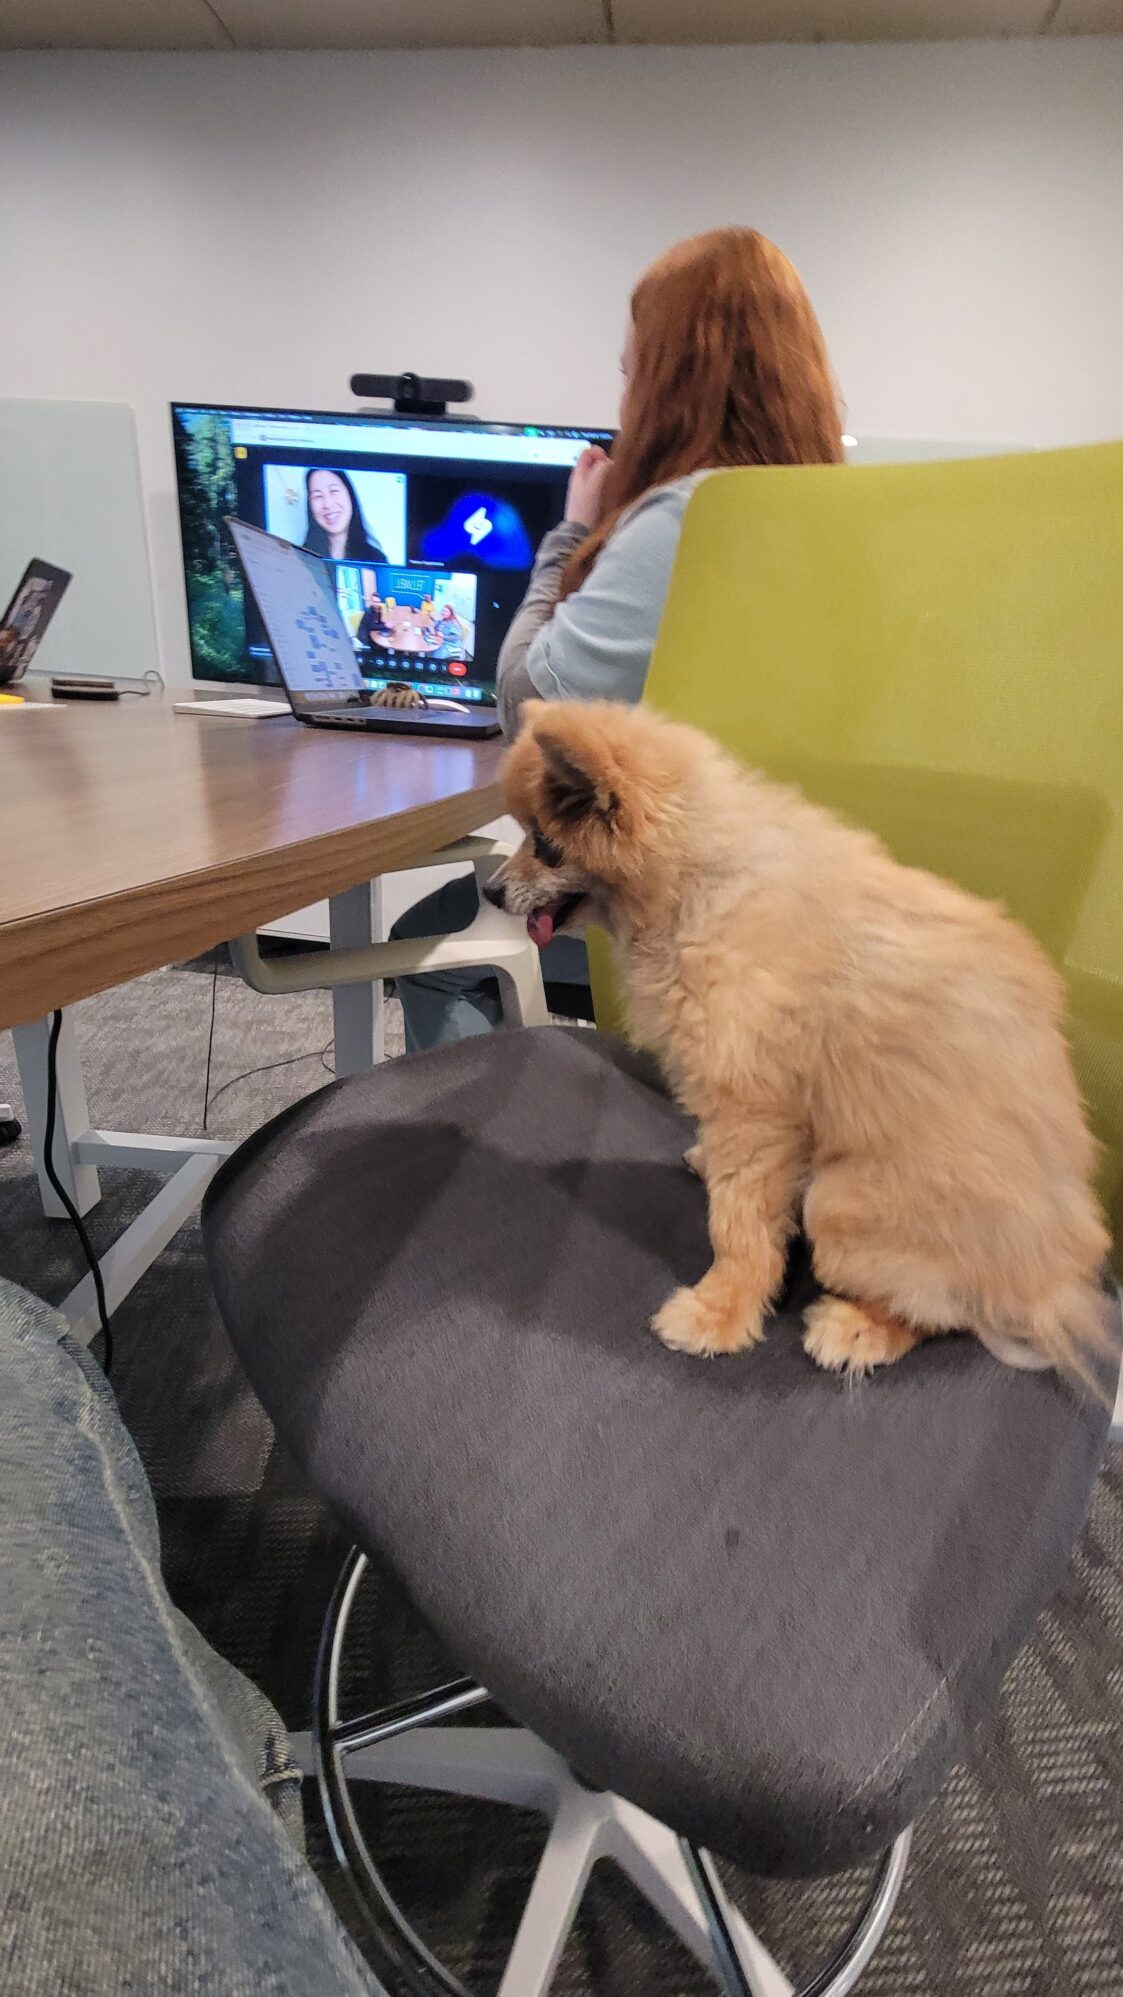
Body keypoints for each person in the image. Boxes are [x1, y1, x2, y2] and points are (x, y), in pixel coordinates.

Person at [391, 226, 844, 1052]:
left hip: (686, 908)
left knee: (431, 948)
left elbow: (527, 708)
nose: (624, 397)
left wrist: (570, 531)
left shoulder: (688, 515)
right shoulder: (819, 512)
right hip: (787, 894)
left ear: (675, 380)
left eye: (632, 371)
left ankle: (496, 1130)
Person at [302, 468, 387, 563]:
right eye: (318, 496)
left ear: (350, 495)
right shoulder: (300, 559)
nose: (327, 504)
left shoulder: (376, 560)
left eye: (334, 491)